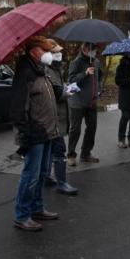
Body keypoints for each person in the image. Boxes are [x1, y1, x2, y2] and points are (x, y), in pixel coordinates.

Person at [10, 37, 61, 231]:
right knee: (30, 175)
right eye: (43, 50)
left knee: (41, 173)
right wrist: (25, 132)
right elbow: (18, 106)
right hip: (35, 132)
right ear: (33, 52)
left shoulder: (40, 70)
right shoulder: (26, 73)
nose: (48, 53)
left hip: (48, 131)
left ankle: (37, 208)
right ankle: (22, 215)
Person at [45, 41, 78, 196]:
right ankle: (61, 183)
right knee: (59, 150)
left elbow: (58, 87)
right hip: (53, 118)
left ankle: (46, 177)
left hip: (57, 116)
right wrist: (66, 92)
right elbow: (54, 92)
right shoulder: (47, 70)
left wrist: (66, 87)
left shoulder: (56, 69)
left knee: (50, 149)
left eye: (59, 52)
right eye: (55, 52)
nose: (59, 54)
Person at [67, 43, 103, 166]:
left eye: (96, 50)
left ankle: (86, 153)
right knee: (75, 129)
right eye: (93, 50)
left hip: (92, 101)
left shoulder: (96, 62)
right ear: (85, 49)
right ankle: (71, 155)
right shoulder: (76, 62)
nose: (95, 52)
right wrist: (85, 73)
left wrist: (99, 88)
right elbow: (71, 81)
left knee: (92, 128)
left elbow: (100, 77)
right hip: (77, 102)